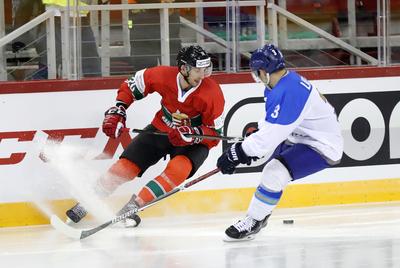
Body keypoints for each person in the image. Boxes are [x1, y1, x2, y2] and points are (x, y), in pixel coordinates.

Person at [65, 45, 225, 227]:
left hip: (192, 142)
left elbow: (215, 134)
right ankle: (87, 202)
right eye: (198, 70)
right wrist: (119, 109)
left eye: (206, 69)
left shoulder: (212, 93)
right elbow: (132, 85)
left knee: (178, 169)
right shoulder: (162, 76)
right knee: (125, 168)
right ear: (183, 68)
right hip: (161, 128)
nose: (203, 75)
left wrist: (195, 135)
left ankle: (134, 206)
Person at [216, 44, 343, 241]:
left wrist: (237, 153)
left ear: (262, 70)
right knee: (271, 170)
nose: (256, 76)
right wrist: (257, 133)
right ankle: (260, 215)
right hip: (299, 138)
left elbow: (270, 137)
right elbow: (272, 125)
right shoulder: (279, 83)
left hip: (321, 145)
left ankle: (255, 220)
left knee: (274, 172)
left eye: (256, 72)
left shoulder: (288, 91)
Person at [13, 0, 101, 79]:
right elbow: (24, 8)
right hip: (53, 18)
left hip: (78, 19)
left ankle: (97, 88)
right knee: (49, 65)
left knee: (91, 64)